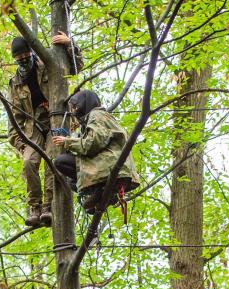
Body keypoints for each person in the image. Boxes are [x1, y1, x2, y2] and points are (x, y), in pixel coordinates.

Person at [8, 31, 83, 227]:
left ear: (31, 52)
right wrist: (21, 145)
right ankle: (35, 207)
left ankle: (48, 206)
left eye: (25, 55)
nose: (23, 60)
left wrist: (70, 45)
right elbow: (14, 120)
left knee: (53, 160)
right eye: (18, 58)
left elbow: (75, 68)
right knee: (28, 162)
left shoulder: (48, 64)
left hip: (56, 125)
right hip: (32, 131)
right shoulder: (15, 82)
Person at [51, 90, 140, 214]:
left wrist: (68, 142)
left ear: (84, 103)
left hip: (109, 166)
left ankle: (99, 190)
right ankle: (101, 195)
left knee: (61, 162)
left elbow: (93, 143)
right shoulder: (94, 119)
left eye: (76, 106)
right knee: (72, 181)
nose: (74, 110)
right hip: (107, 166)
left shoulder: (96, 115)